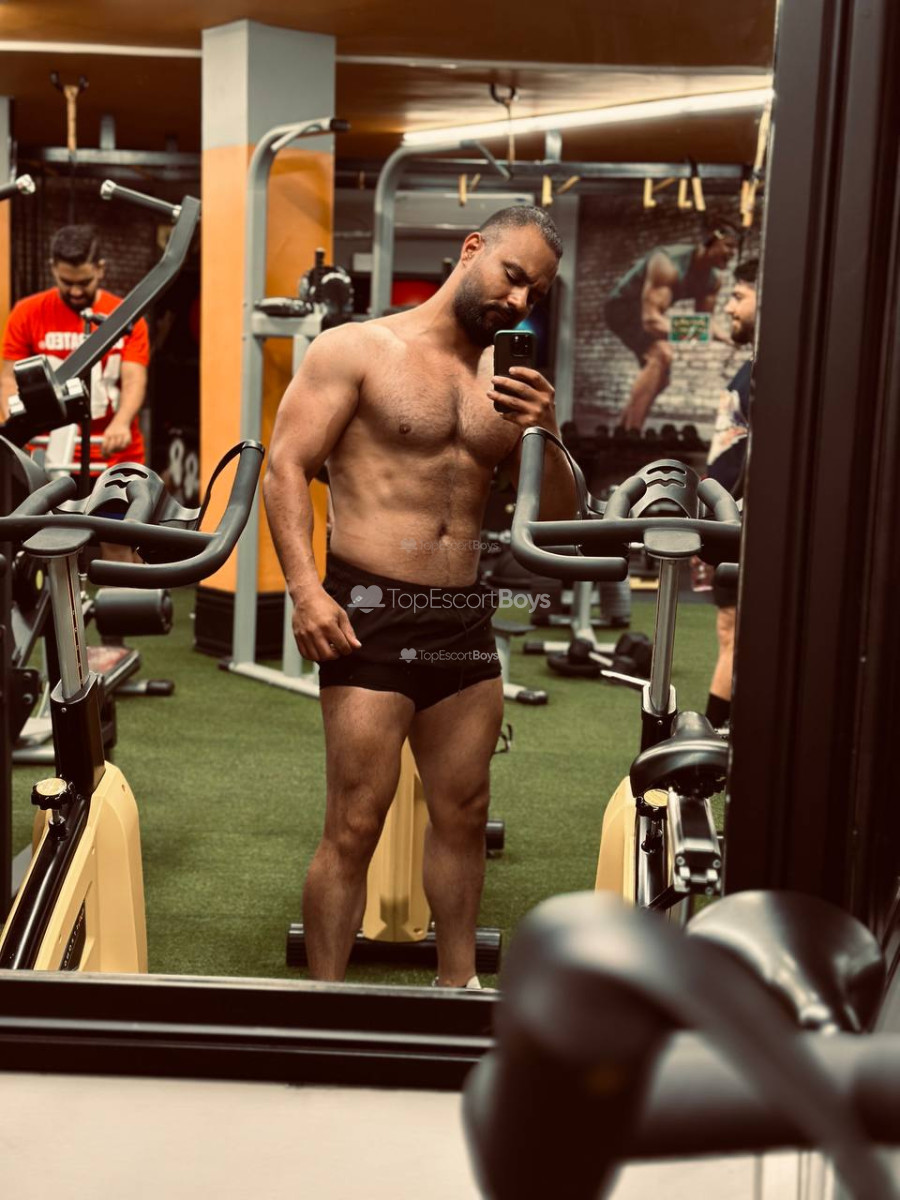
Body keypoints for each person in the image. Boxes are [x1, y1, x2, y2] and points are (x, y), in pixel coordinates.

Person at [264, 206, 575, 987]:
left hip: (462, 616)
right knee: (354, 822)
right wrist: (305, 590)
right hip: (369, 609)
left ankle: (457, 985)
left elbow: (559, 517)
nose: (519, 301)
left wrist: (546, 432)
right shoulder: (357, 349)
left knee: (464, 812)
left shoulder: (509, 384)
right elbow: (284, 466)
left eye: (536, 294)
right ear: (472, 250)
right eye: (512, 276)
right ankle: (324, 1006)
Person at [0, 224, 150, 463]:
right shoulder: (26, 313)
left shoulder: (126, 318)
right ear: (53, 268)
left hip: (111, 452)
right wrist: (16, 425)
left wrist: (121, 423)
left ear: (100, 269)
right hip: (45, 453)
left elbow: (133, 379)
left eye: (84, 282)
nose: (76, 291)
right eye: (67, 282)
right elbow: (9, 379)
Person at [605, 221, 740, 431]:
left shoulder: (713, 280)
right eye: (728, 245)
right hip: (621, 309)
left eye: (735, 248)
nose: (733, 253)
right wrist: (701, 332)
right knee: (661, 355)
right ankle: (632, 431)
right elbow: (651, 322)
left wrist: (730, 338)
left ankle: (622, 428)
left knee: (662, 379)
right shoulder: (667, 263)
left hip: (646, 314)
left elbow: (705, 322)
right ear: (709, 241)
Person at [702, 257, 758, 733]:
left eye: (739, 297)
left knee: (734, 635)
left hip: (744, 526)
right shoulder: (752, 367)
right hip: (729, 523)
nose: (730, 307)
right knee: (731, 635)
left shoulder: (772, 371)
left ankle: (716, 741)